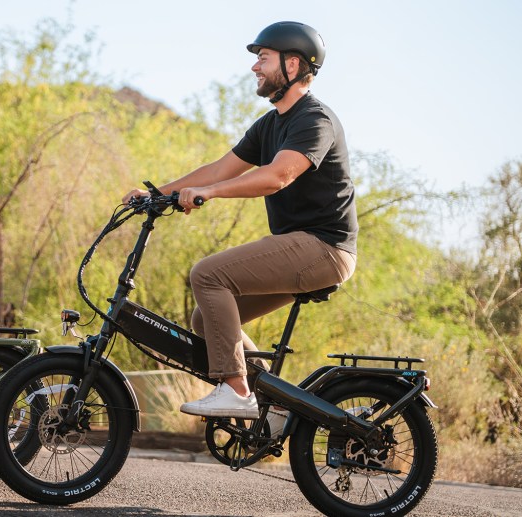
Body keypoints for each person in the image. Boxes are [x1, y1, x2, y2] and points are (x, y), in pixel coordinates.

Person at [122, 21, 357, 419]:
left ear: (293, 64)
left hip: (324, 248)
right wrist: (158, 194)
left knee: (208, 275)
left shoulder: (314, 120)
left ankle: (236, 388)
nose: (255, 68)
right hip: (302, 248)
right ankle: (273, 403)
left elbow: (277, 176)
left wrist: (209, 195)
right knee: (205, 319)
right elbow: (219, 169)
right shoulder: (271, 124)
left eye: (263, 59)